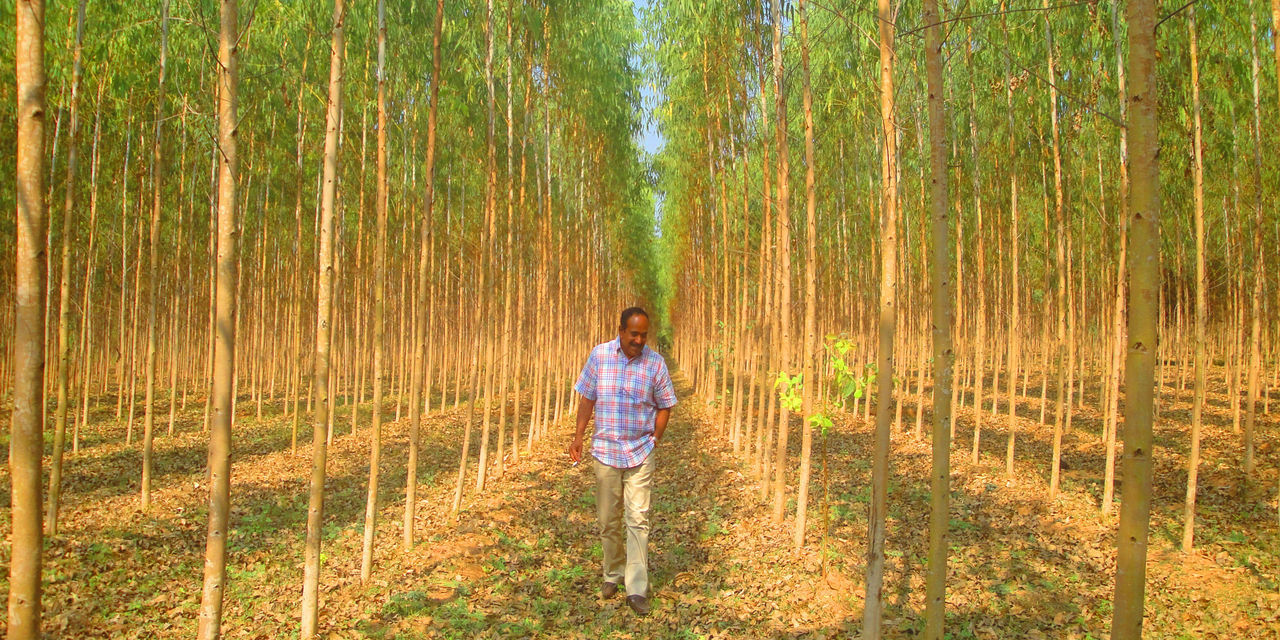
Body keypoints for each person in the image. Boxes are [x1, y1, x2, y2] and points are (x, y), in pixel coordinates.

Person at [568, 306, 677, 616]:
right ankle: (613, 573)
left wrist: (655, 437)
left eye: (644, 335)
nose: (639, 340)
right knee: (607, 520)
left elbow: (666, 404)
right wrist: (578, 436)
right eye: (634, 334)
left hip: (640, 453)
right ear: (621, 331)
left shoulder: (655, 364)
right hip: (605, 452)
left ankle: (636, 586)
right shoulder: (600, 356)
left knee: (638, 519)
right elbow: (587, 397)